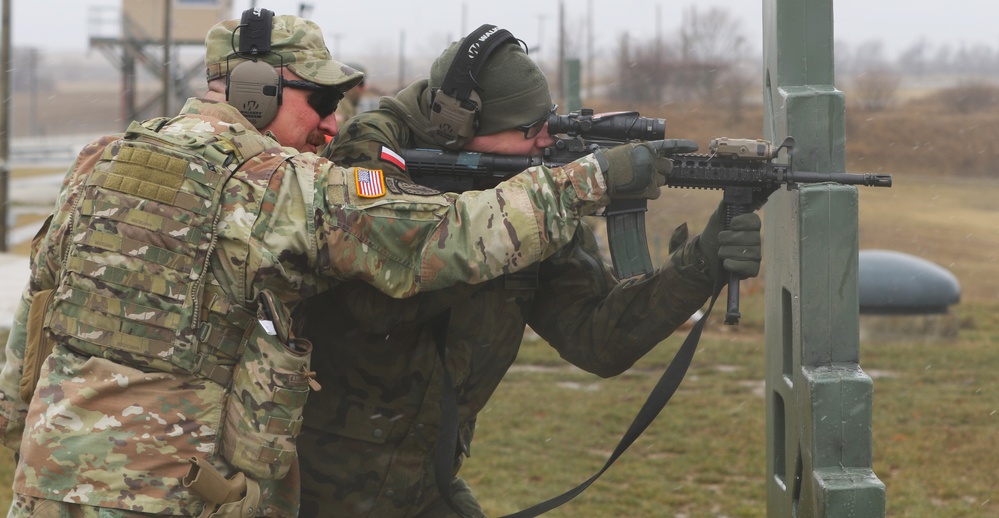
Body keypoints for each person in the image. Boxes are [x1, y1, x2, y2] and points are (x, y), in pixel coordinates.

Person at [0, 12, 671, 518]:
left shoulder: (101, 158)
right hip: (168, 495)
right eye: (318, 102)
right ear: (256, 91)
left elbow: (34, 320)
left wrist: (15, 430)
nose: (331, 123)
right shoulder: (281, 185)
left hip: (48, 484)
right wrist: (591, 181)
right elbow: (456, 236)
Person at [294, 25, 764, 517]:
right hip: (315, 486)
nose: (547, 140)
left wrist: (701, 262)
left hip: (422, 482)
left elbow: (599, 339)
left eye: (549, 120)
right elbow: (375, 303)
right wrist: (533, 211)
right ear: (458, 124)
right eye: (529, 129)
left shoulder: (528, 195)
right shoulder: (364, 164)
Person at [334, 62, 367, 127]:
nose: (364, 88)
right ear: (346, 84)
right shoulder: (336, 109)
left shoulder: (349, 109)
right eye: (360, 84)